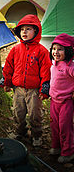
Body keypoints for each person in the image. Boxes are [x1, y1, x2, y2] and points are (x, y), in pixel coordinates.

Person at [1, 14, 52, 147]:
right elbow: (8, 67)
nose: (24, 32)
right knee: (18, 112)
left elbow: (46, 71)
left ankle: (36, 135)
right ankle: (19, 131)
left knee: (35, 114)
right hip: (18, 89)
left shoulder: (42, 51)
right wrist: (6, 82)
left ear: (36, 31)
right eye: (22, 29)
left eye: (28, 29)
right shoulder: (16, 49)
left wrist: (45, 88)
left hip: (34, 90)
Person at [48, 33, 74, 163]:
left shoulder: (70, 67)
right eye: (54, 48)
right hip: (54, 101)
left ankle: (68, 152)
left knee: (65, 127)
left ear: (67, 50)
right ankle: (56, 147)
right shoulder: (53, 64)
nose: (56, 52)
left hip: (65, 102)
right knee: (54, 125)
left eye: (60, 49)